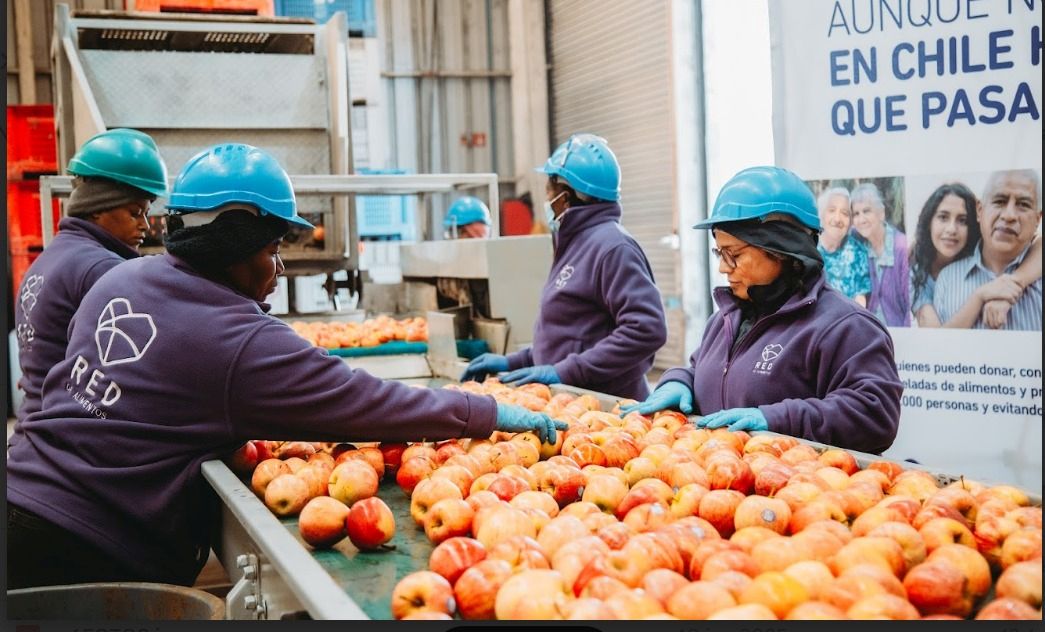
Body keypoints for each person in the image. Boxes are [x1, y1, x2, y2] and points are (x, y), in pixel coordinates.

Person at [6, 143, 562, 589]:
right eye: (273, 248)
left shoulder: (118, 281)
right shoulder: (237, 340)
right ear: (236, 242)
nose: (278, 266)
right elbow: (368, 403)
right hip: (88, 549)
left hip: (20, 496)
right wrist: (486, 411)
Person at [621, 166, 903, 455]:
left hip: (796, 493)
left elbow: (875, 414)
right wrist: (680, 382)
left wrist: (776, 420)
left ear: (782, 250)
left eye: (735, 254)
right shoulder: (726, 318)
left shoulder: (846, 327)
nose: (722, 267)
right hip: (720, 488)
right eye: (720, 253)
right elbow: (706, 372)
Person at [460, 133, 668, 401]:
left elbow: (646, 329)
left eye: (549, 189)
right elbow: (571, 333)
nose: (546, 198)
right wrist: (516, 361)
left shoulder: (613, 247)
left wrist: (568, 371)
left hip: (605, 408)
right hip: (571, 399)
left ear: (567, 196)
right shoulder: (574, 243)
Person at [11, 128, 168, 433]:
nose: (146, 226)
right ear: (97, 209)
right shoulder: (101, 268)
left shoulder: (53, 255)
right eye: (135, 212)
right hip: (71, 433)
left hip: (35, 422)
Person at [909, 181, 1042, 328]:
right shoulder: (914, 274)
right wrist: (979, 296)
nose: (952, 229)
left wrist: (1012, 283)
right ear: (929, 222)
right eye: (943, 217)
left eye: (963, 220)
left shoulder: (984, 251)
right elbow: (937, 338)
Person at [851, 182, 911, 327]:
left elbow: (911, 309)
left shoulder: (902, 248)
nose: (861, 219)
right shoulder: (859, 244)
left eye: (867, 211)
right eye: (856, 214)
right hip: (870, 334)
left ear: (881, 213)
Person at [816, 186, 870, 306]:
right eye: (832, 210)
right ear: (821, 215)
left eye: (845, 213)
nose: (837, 219)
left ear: (850, 221)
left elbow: (860, 302)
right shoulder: (808, 249)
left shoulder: (858, 252)